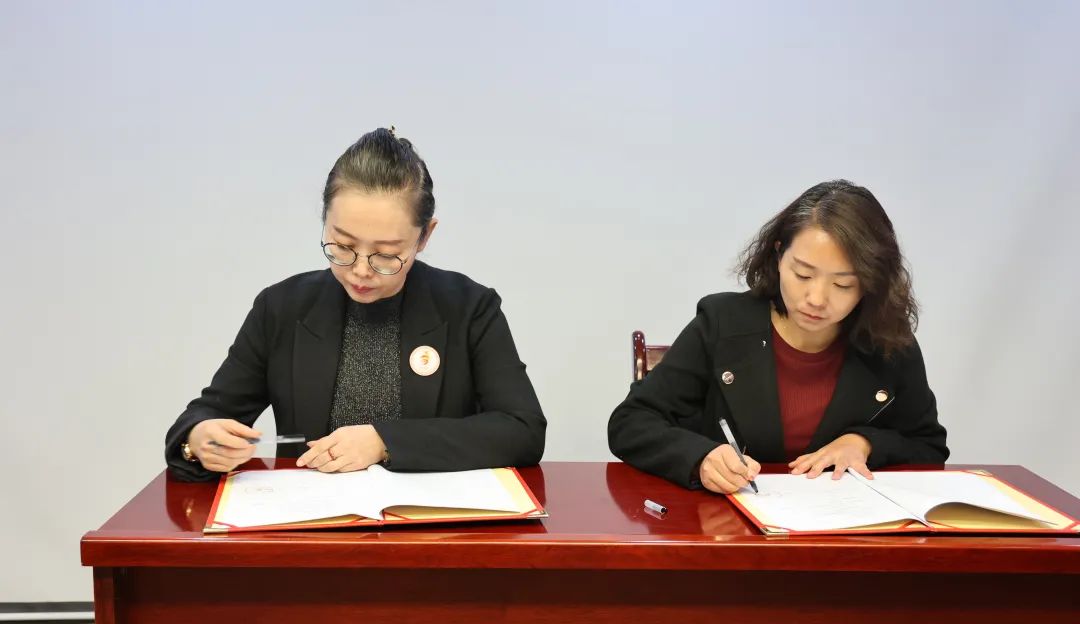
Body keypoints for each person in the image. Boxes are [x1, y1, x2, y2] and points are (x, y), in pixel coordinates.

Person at [165, 128, 545, 481]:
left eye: (386, 254)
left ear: (424, 237)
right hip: (313, 522)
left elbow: (522, 429)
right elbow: (205, 416)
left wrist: (384, 441)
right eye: (343, 246)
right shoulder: (281, 308)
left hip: (429, 523)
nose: (361, 271)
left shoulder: (469, 308)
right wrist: (198, 439)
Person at [608, 180, 947, 494]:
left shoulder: (888, 344)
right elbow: (630, 422)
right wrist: (701, 458)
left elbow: (928, 446)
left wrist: (864, 443)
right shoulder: (722, 323)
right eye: (803, 274)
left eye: (843, 284)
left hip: (845, 530)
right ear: (779, 255)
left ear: (871, 283)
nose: (816, 298)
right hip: (732, 526)